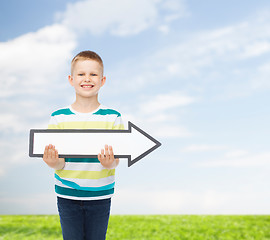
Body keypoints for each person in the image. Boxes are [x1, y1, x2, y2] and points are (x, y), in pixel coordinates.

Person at [42, 50, 124, 240]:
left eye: (93, 74)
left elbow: (117, 160)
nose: (87, 79)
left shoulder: (113, 117)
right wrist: (53, 163)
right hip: (67, 195)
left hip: (100, 195)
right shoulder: (58, 117)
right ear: (71, 79)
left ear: (102, 80)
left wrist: (109, 163)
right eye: (81, 74)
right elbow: (59, 163)